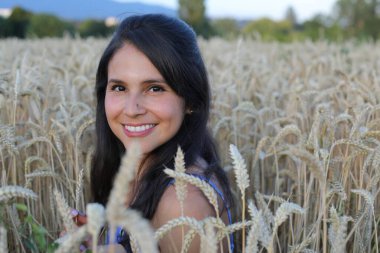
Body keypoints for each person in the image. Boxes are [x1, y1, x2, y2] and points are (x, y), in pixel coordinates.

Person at [87, 13, 233, 252]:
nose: (132, 109)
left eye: (155, 88)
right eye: (119, 87)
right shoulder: (138, 174)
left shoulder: (181, 203)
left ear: (190, 101)